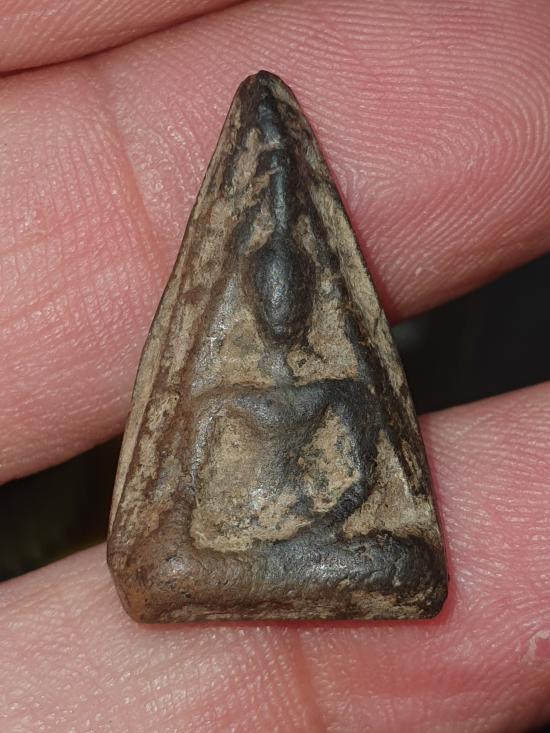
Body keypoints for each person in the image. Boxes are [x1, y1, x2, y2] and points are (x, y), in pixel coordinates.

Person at [1, 1, 549, 730]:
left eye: (297, 295)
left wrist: (308, 518)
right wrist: (249, 536)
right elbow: (174, 512)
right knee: (161, 575)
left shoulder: (342, 392)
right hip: (226, 558)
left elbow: (358, 488)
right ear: (251, 297)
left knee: (402, 564)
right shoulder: (218, 400)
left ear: (313, 294)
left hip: (319, 548)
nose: (284, 310)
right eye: (270, 294)